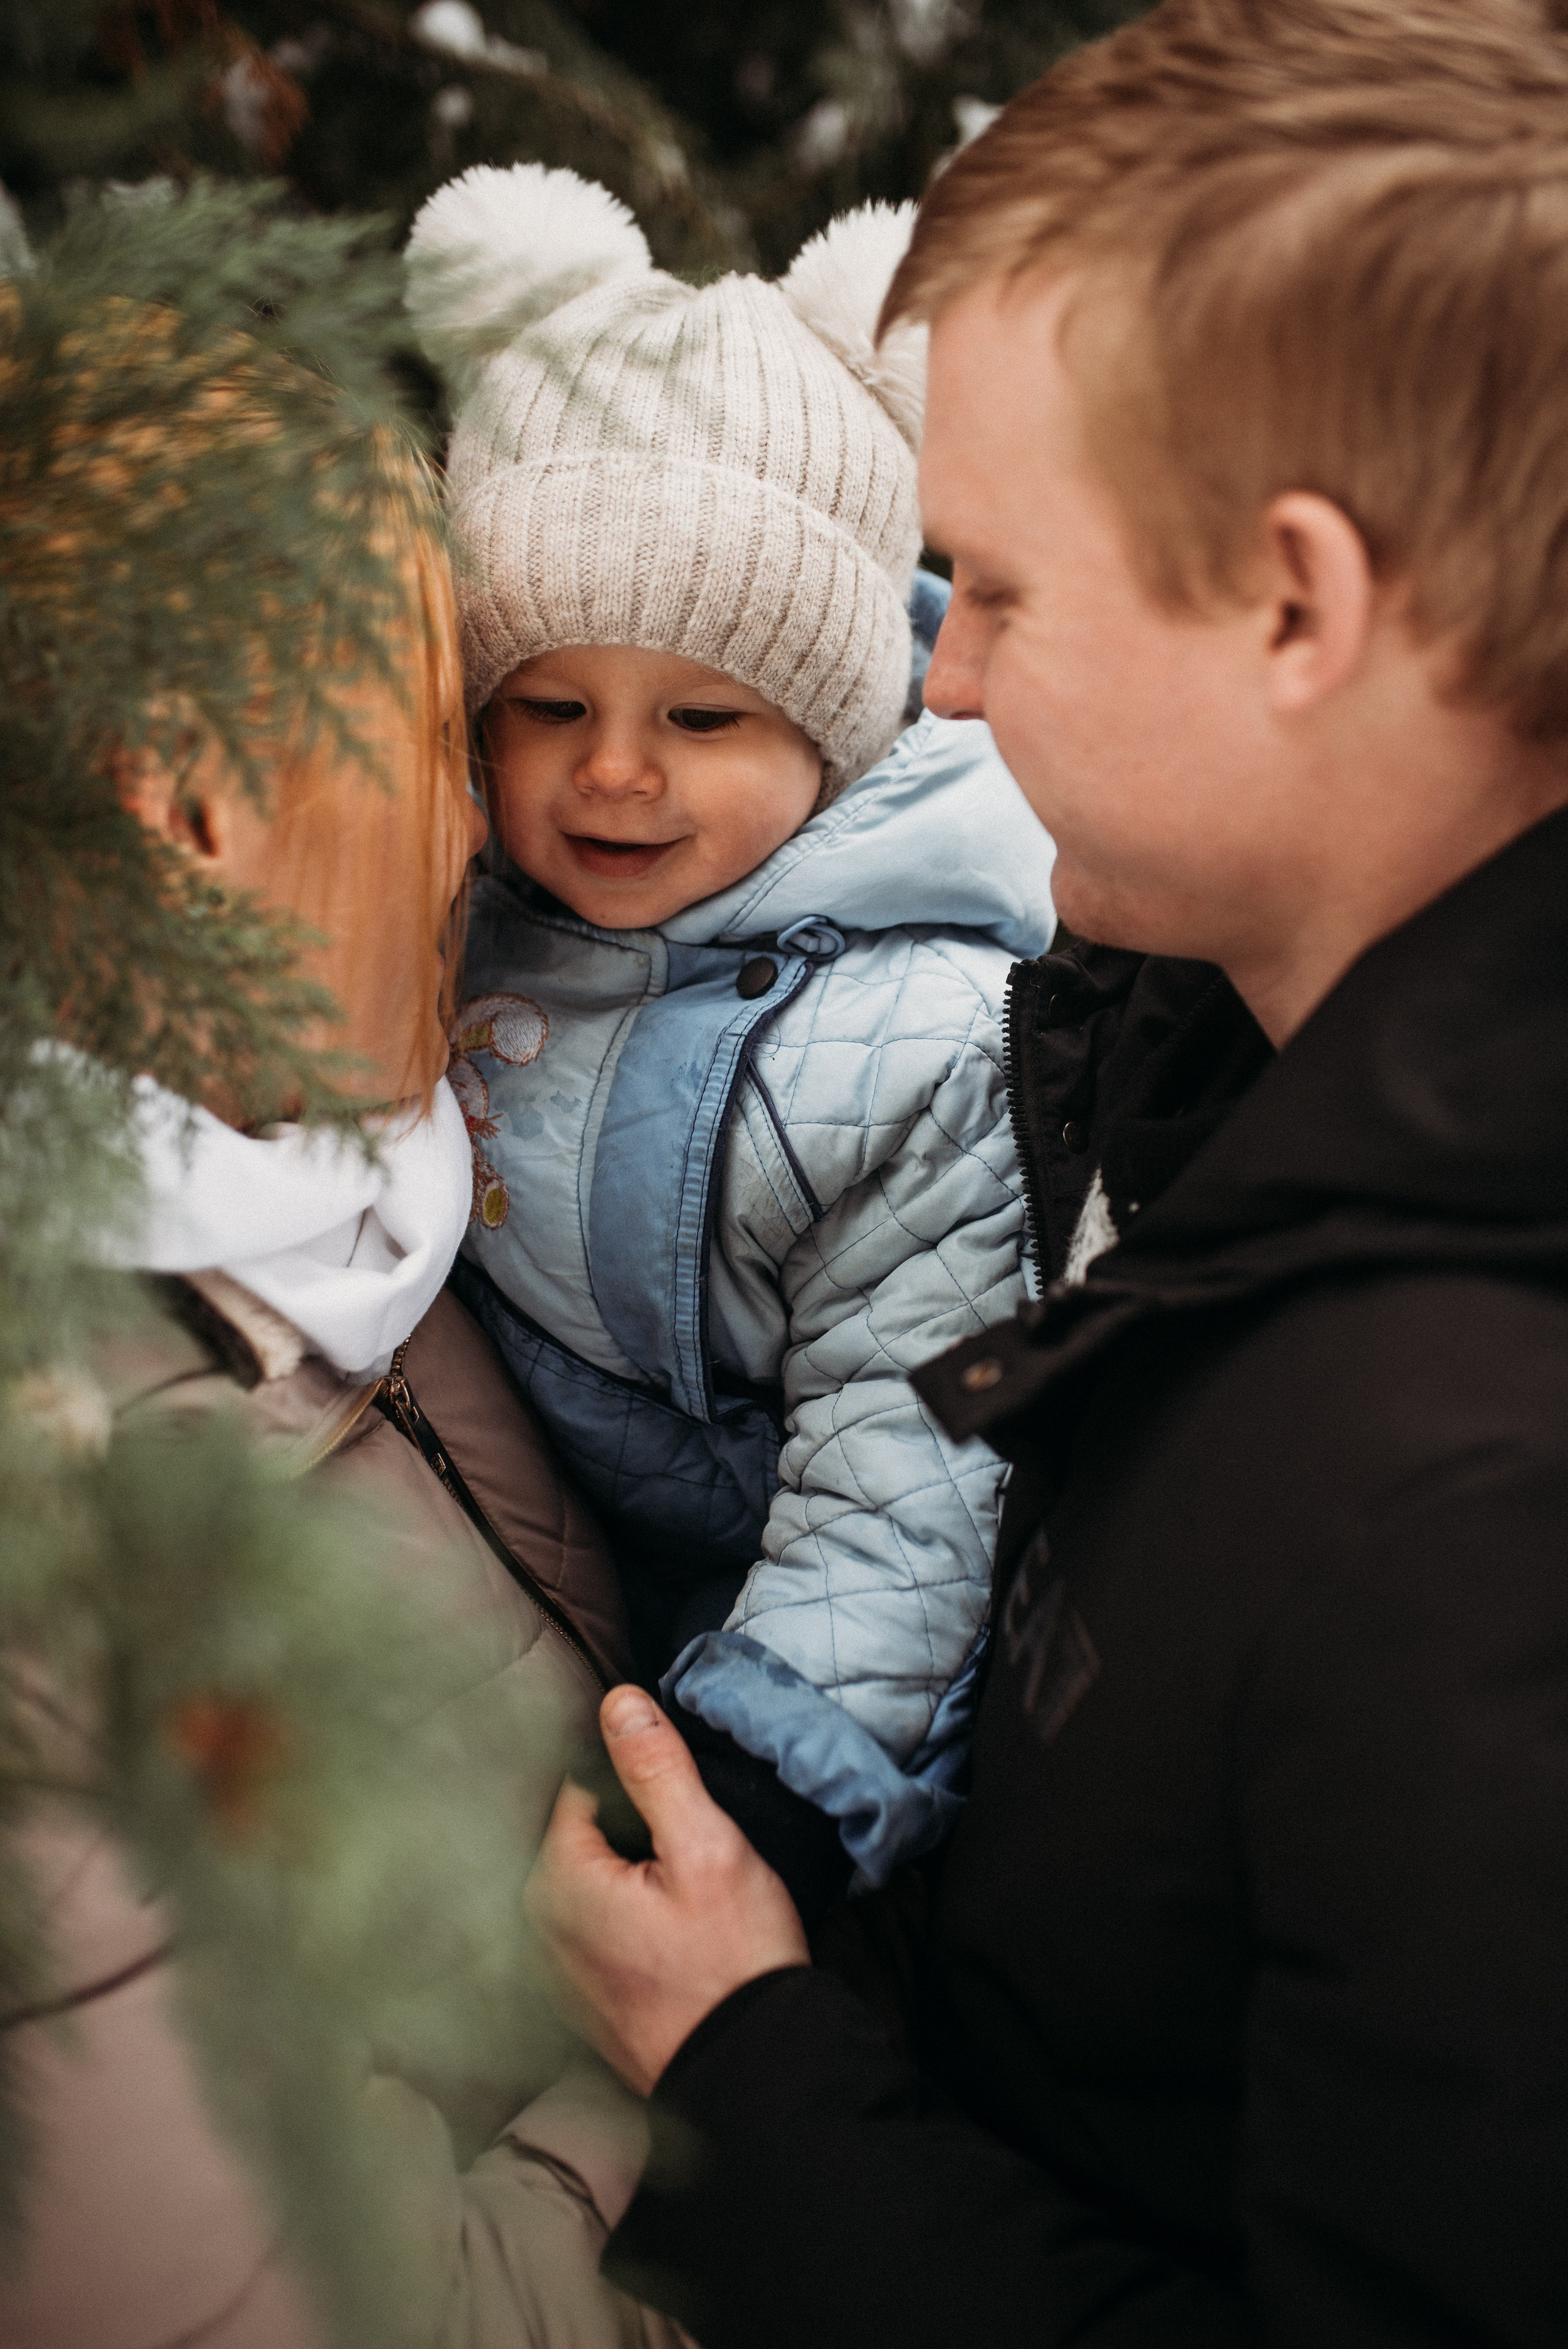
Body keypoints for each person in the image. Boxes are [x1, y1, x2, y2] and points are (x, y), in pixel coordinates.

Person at [526, 2, 1568, 2343]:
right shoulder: (1195, 1042)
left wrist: (746, 2075)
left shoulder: (1490, 1515)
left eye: (989, 580)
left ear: (1298, 602)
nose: (953, 681)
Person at [0, 431, 686, 2349]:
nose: (482, 809)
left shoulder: (317, 1184)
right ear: (190, 809)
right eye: (414, 725)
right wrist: (765, 2087)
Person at [403, 165, 1056, 1918]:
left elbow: (915, 1459)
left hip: (775, 1644)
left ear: (834, 730)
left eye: (702, 716)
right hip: (512, 1560)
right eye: (549, 706)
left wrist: (767, 1766)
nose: (614, 771)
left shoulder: (911, 1043)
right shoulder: (451, 889)